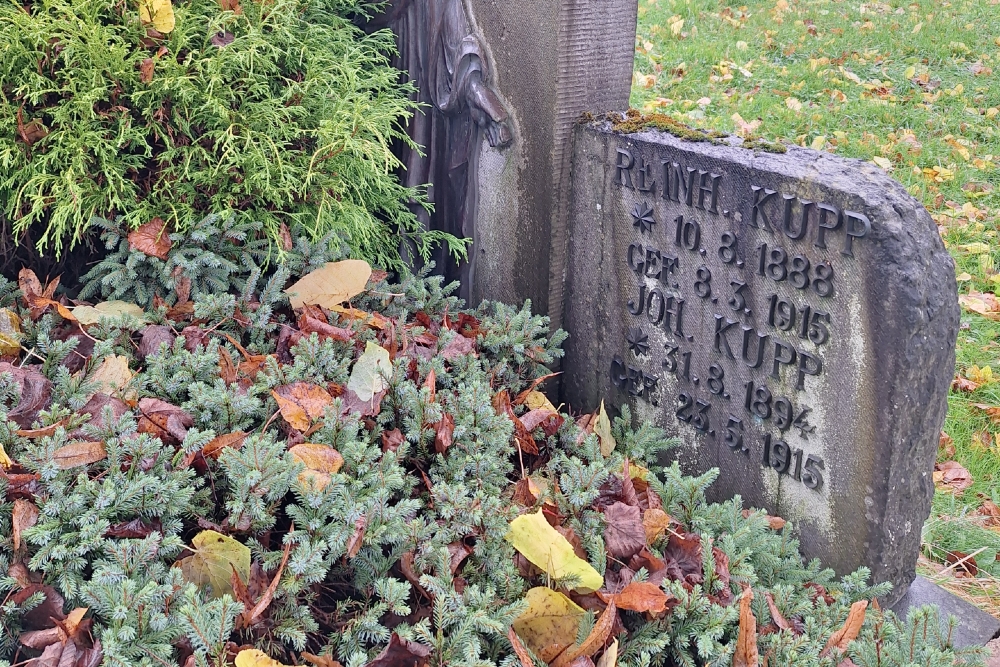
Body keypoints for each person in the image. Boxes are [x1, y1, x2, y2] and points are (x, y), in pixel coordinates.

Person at [369, 0, 512, 289]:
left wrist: (480, 97)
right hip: (371, 91)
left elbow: (455, 41)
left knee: (417, 179)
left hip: (419, 101)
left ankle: (416, 289)